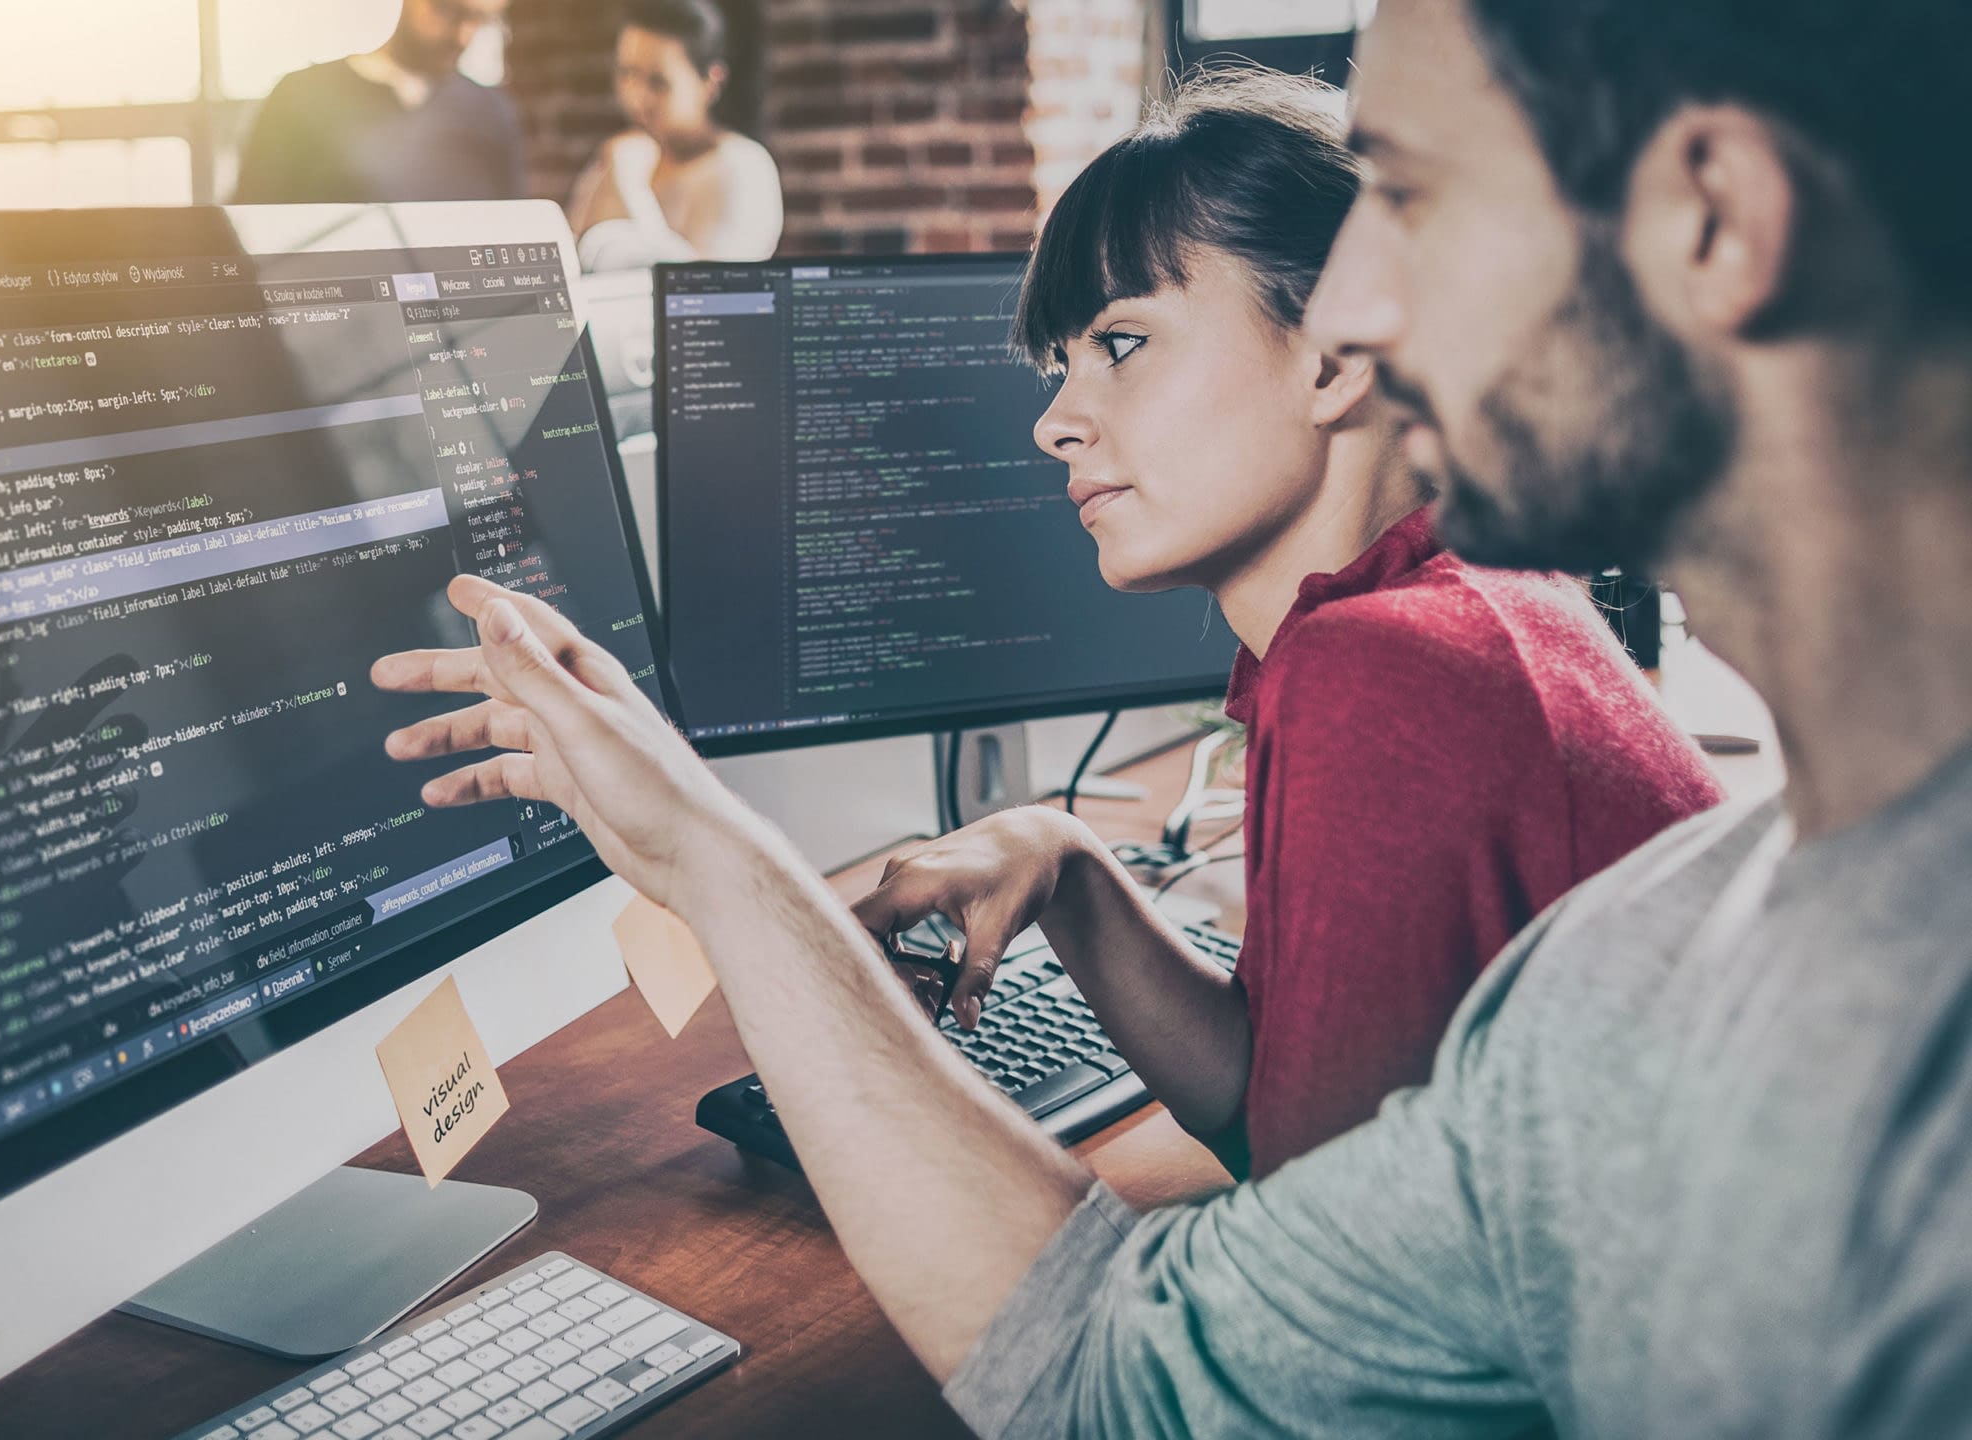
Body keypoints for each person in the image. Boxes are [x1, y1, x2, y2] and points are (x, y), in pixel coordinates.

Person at [372, 0, 1972, 1432]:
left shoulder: (1410, 676)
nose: (1359, 312)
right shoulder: (1668, 935)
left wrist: (725, 864)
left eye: (1408, 196)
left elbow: (1129, 1383)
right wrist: (1074, 867)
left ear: (1717, 218)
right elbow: (1297, 1215)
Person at [853, 69, 1719, 1181]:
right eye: (1056, 366)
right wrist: (1069, 865)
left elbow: (1305, 1245)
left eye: (1119, 344)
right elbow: (1275, 1119)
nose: (1054, 424)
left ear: (1338, 353)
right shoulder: (1458, 600)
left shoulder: (1387, 669)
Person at [230, 0, 521, 207]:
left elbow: (511, 234)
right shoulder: (300, 96)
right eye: (448, 11)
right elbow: (250, 226)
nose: (463, 35)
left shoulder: (491, 112)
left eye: (481, 19)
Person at [566, 0, 782, 267]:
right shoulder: (626, 152)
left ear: (709, 82)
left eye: (658, 82)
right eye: (627, 74)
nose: (636, 97)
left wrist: (628, 185)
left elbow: (708, 292)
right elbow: (570, 263)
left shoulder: (743, 166)